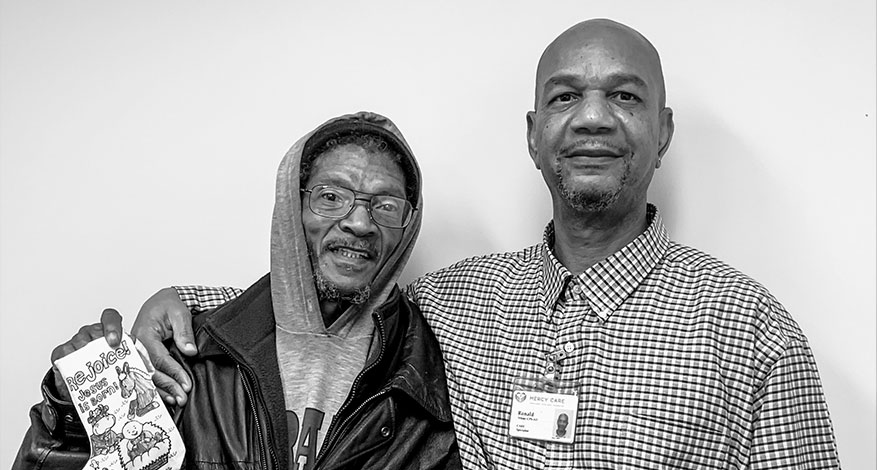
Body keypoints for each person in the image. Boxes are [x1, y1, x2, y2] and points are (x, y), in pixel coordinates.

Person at [117, 19, 842, 469]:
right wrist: (180, 304)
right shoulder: (454, 300)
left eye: (624, 96)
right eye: (564, 96)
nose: (591, 118)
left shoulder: (753, 335)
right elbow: (324, 308)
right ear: (532, 136)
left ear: (664, 131)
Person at [14, 112, 461, 470]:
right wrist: (73, 413)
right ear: (292, 205)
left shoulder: (435, 380)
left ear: (407, 225)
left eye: (384, 205)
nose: (360, 222)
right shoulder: (189, 355)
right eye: (330, 196)